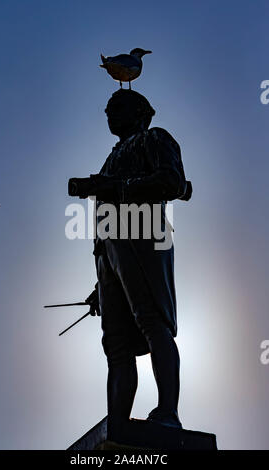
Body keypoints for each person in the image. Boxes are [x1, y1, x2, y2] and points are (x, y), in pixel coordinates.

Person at [68, 89, 192, 442]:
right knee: (116, 345)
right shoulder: (111, 158)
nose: (109, 112)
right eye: (107, 108)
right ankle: (117, 423)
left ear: (141, 112)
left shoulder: (155, 138)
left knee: (153, 322)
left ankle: (168, 412)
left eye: (118, 107)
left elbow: (173, 182)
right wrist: (99, 284)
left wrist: (113, 187)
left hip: (143, 237)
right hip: (110, 254)